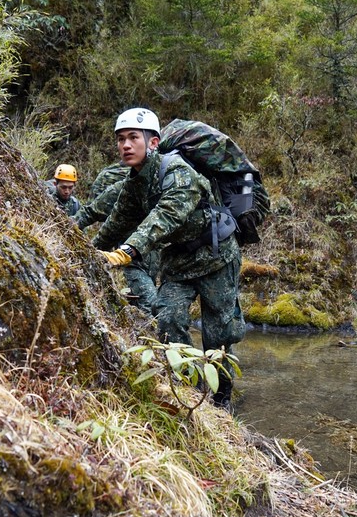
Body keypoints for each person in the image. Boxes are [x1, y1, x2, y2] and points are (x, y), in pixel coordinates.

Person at [93, 108, 245, 409]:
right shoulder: (134, 183)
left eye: (133, 137)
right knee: (168, 319)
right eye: (121, 139)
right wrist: (87, 251)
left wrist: (128, 250)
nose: (126, 145)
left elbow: (166, 216)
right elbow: (116, 222)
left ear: (153, 142)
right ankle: (191, 389)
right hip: (178, 262)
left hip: (216, 258)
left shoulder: (178, 172)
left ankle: (222, 398)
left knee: (218, 334)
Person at [76, 177, 160, 315]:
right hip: (130, 260)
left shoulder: (161, 190)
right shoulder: (120, 190)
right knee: (150, 306)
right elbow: (90, 212)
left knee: (140, 304)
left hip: (154, 261)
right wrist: (65, 229)